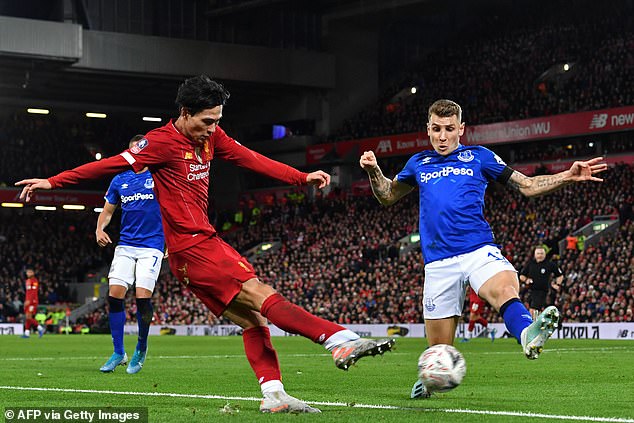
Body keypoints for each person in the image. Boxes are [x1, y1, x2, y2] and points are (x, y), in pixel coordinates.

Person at [16, 75, 394, 413]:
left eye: (217, 120)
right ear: (185, 113)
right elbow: (111, 164)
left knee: (252, 320)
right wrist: (54, 182)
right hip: (194, 246)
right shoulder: (160, 142)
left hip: (190, 252)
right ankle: (337, 339)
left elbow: (250, 158)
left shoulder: (212, 137)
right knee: (260, 293)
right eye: (207, 121)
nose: (213, 128)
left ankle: (274, 394)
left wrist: (299, 176)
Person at [359, 99, 607, 399]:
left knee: (503, 288)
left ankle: (527, 332)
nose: (442, 136)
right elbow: (387, 195)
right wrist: (373, 170)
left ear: (461, 129)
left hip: (478, 249)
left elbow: (527, 185)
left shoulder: (479, 157)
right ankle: (429, 380)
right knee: (439, 352)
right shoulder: (418, 163)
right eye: (436, 129)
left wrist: (567, 175)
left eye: (449, 129)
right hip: (438, 263)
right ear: (428, 129)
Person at [96, 135, 165, 374]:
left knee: (142, 297)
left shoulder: (159, 177)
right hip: (126, 245)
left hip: (152, 245)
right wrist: (99, 229)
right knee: (114, 295)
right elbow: (107, 211)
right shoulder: (119, 180)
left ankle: (141, 347)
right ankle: (118, 352)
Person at [519, 246, 564, 320]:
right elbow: (521, 276)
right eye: (538, 253)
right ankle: (538, 323)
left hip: (542, 291)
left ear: (545, 254)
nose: (540, 255)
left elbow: (560, 275)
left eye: (542, 253)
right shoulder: (531, 264)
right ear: (535, 254)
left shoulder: (549, 264)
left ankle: (534, 324)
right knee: (533, 310)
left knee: (534, 310)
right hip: (531, 291)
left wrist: (557, 284)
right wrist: (526, 279)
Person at [22, 268, 43, 338]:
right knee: (28, 317)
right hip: (28, 301)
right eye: (27, 272)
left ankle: (40, 328)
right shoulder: (27, 281)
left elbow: (34, 292)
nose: (28, 273)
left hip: (33, 301)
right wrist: (26, 300)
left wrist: (29, 300)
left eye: (30, 272)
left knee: (28, 316)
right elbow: (28, 292)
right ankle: (27, 333)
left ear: (33, 273)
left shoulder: (34, 281)